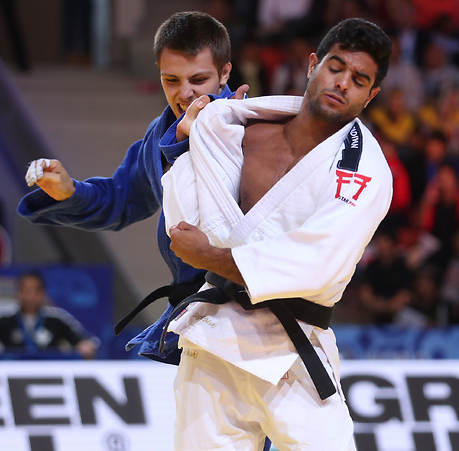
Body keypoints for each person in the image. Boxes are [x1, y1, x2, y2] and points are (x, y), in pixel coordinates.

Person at [161, 18, 393, 450]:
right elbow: (186, 221)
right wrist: (183, 145)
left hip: (293, 347)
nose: (342, 83)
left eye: (359, 80)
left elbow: (319, 264)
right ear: (312, 65)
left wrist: (211, 256)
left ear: (370, 95)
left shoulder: (364, 172)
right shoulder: (234, 129)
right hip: (215, 340)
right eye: (335, 67)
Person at [17, 11, 249, 364]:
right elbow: (121, 199)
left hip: (253, 312)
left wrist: (182, 139)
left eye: (198, 79)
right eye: (171, 80)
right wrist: (71, 192)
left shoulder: (251, 127)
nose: (185, 93)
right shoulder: (161, 133)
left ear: (225, 73)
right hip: (195, 317)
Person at [0, 271, 98, 359]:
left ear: (42, 294)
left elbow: (84, 340)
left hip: (49, 373)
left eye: (34, 291)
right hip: (12, 372)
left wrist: (85, 345)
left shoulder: (57, 319)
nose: (30, 296)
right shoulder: (4, 319)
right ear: (18, 293)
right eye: (25, 291)